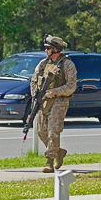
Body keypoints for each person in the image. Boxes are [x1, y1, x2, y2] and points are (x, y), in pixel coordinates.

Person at [30, 35, 77, 173]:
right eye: (45, 48)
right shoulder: (43, 64)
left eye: (48, 48)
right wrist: (35, 94)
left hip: (59, 102)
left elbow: (71, 86)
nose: (46, 51)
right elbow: (33, 81)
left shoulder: (67, 64)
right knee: (41, 131)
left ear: (56, 49)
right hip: (43, 101)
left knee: (53, 132)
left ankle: (49, 162)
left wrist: (55, 91)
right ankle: (58, 152)